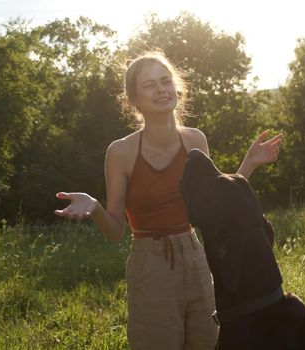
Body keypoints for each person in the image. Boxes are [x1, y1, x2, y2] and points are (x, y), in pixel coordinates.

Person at [54, 50, 283, 350]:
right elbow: (114, 231)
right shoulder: (120, 152)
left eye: (165, 81)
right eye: (149, 85)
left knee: (208, 343)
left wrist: (248, 164)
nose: (161, 89)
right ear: (133, 99)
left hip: (197, 257)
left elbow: (215, 209)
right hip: (150, 265)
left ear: (176, 88)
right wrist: (95, 207)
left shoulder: (195, 141)